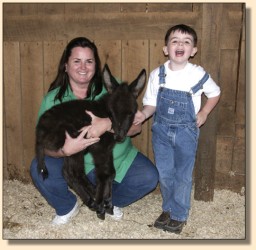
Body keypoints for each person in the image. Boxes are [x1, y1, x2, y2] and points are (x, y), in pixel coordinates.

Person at [30, 37, 159, 225]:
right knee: (39, 168)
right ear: (65, 66)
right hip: (76, 163)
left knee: (149, 178)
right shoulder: (53, 99)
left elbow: (136, 127)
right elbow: (42, 143)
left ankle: (105, 201)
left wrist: (107, 124)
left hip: (116, 159)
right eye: (77, 61)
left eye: (89, 61)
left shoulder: (111, 88)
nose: (83, 67)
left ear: (95, 66)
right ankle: (67, 205)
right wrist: (64, 150)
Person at [134, 24, 221, 234]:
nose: (180, 44)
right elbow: (151, 103)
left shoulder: (197, 73)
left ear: (193, 51)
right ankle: (168, 209)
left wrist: (204, 113)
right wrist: (144, 114)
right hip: (161, 132)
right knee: (165, 174)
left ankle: (180, 214)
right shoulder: (158, 74)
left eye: (186, 42)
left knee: (183, 175)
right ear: (166, 49)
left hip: (186, 133)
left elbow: (215, 92)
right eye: (175, 41)